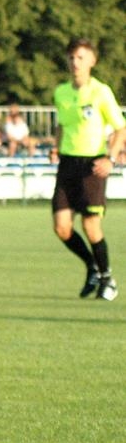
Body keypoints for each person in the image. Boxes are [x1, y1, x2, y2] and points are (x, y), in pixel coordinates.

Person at [50, 37, 126, 301]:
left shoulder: (100, 92)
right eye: (72, 57)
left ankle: (107, 278)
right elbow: (62, 125)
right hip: (67, 164)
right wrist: (56, 147)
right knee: (61, 227)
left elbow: (120, 128)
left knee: (91, 225)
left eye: (81, 57)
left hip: (92, 164)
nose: (75, 62)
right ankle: (92, 266)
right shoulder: (61, 92)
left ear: (92, 61)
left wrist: (111, 158)